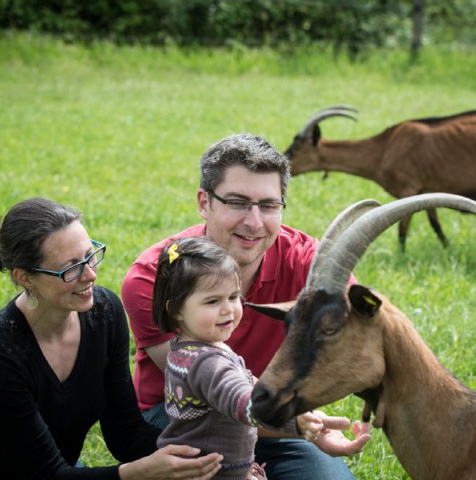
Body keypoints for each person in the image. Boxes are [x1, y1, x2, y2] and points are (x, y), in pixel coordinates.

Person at [122, 134, 371, 480]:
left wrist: (307, 420)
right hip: (184, 420)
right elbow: (207, 384)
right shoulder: (153, 277)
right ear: (204, 203)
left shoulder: (311, 265)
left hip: (279, 418)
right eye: (237, 202)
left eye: (269, 205)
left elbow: (359, 336)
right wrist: (297, 422)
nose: (254, 223)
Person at [0, 197, 223, 480]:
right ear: (24, 277)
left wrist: (217, 461)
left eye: (89, 256)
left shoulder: (105, 312)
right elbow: (45, 474)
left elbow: (125, 432)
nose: (91, 275)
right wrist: (140, 473)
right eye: (71, 268)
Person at [152, 236, 324, 480]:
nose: (228, 309)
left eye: (233, 297)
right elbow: (240, 401)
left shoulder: (191, 348)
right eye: (212, 301)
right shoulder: (205, 363)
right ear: (176, 310)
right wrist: (290, 421)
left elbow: (241, 384)